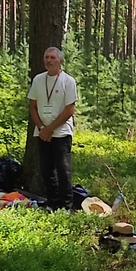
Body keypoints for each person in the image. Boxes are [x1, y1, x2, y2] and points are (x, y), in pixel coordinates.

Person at [28, 47, 78, 210]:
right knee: (46, 170)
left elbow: (70, 109)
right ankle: (52, 203)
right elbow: (33, 106)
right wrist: (42, 128)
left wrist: (50, 129)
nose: (49, 60)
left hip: (61, 132)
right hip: (42, 132)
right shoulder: (38, 80)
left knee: (63, 171)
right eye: (46, 57)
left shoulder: (68, 81)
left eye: (53, 58)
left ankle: (66, 205)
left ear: (60, 61)